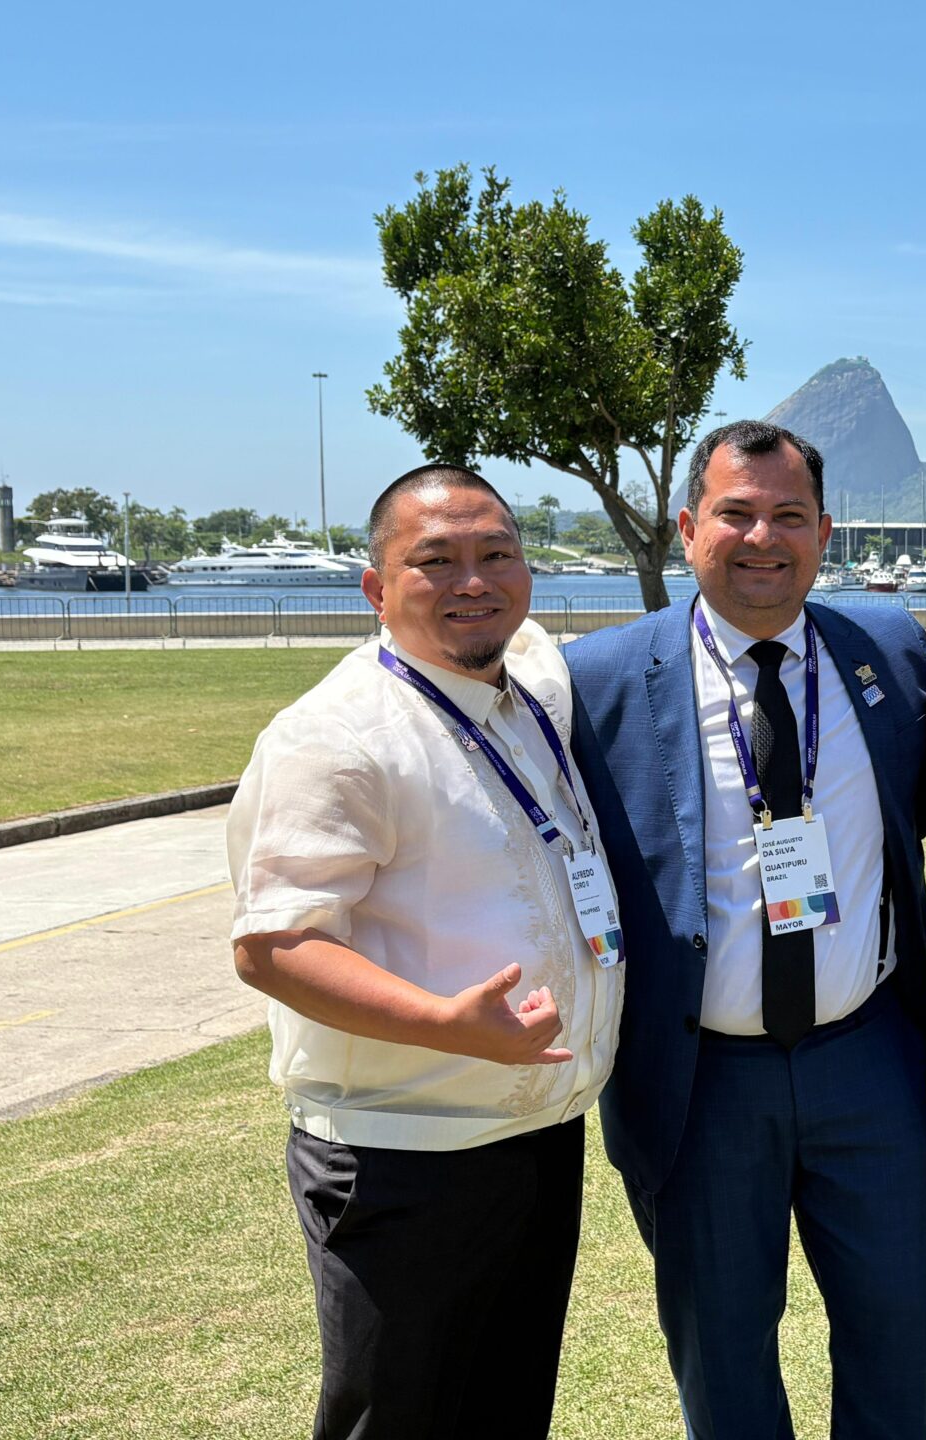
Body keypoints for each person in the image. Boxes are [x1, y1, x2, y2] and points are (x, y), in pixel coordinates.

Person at [227, 464, 624, 1439]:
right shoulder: (335, 738)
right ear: (375, 588)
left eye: (496, 555)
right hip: (403, 1158)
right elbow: (275, 946)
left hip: (533, 1138)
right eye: (433, 561)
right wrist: (443, 1023)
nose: (473, 582)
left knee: (504, 1408)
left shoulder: (525, 687)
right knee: (399, 1417)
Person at [566, 419, 926, 1440]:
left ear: (827, 533)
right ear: (690, 527)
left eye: (788, 516)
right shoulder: (595, 681)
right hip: (701, 1086)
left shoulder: (893, 653)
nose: (762, 537)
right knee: (722, 1358)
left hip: (867, 1062)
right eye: (736, 513)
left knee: (898, 1339)